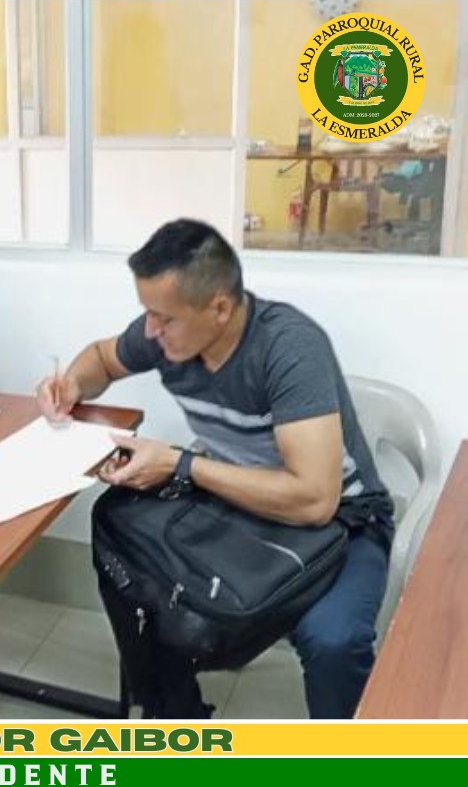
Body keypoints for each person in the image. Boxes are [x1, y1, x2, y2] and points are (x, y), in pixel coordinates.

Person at [36, 219, 393, 719]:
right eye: (147, 314)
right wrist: (72, 383)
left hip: (341, 522)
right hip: (236, 500)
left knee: (334, 640)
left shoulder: (289, 348)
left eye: (163, 318)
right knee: (122, 528)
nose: (150, 331)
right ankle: (173, 716)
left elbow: (314, 500)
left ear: (220, 308)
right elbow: (102, 357)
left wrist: (181, 465)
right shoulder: (166, 335)